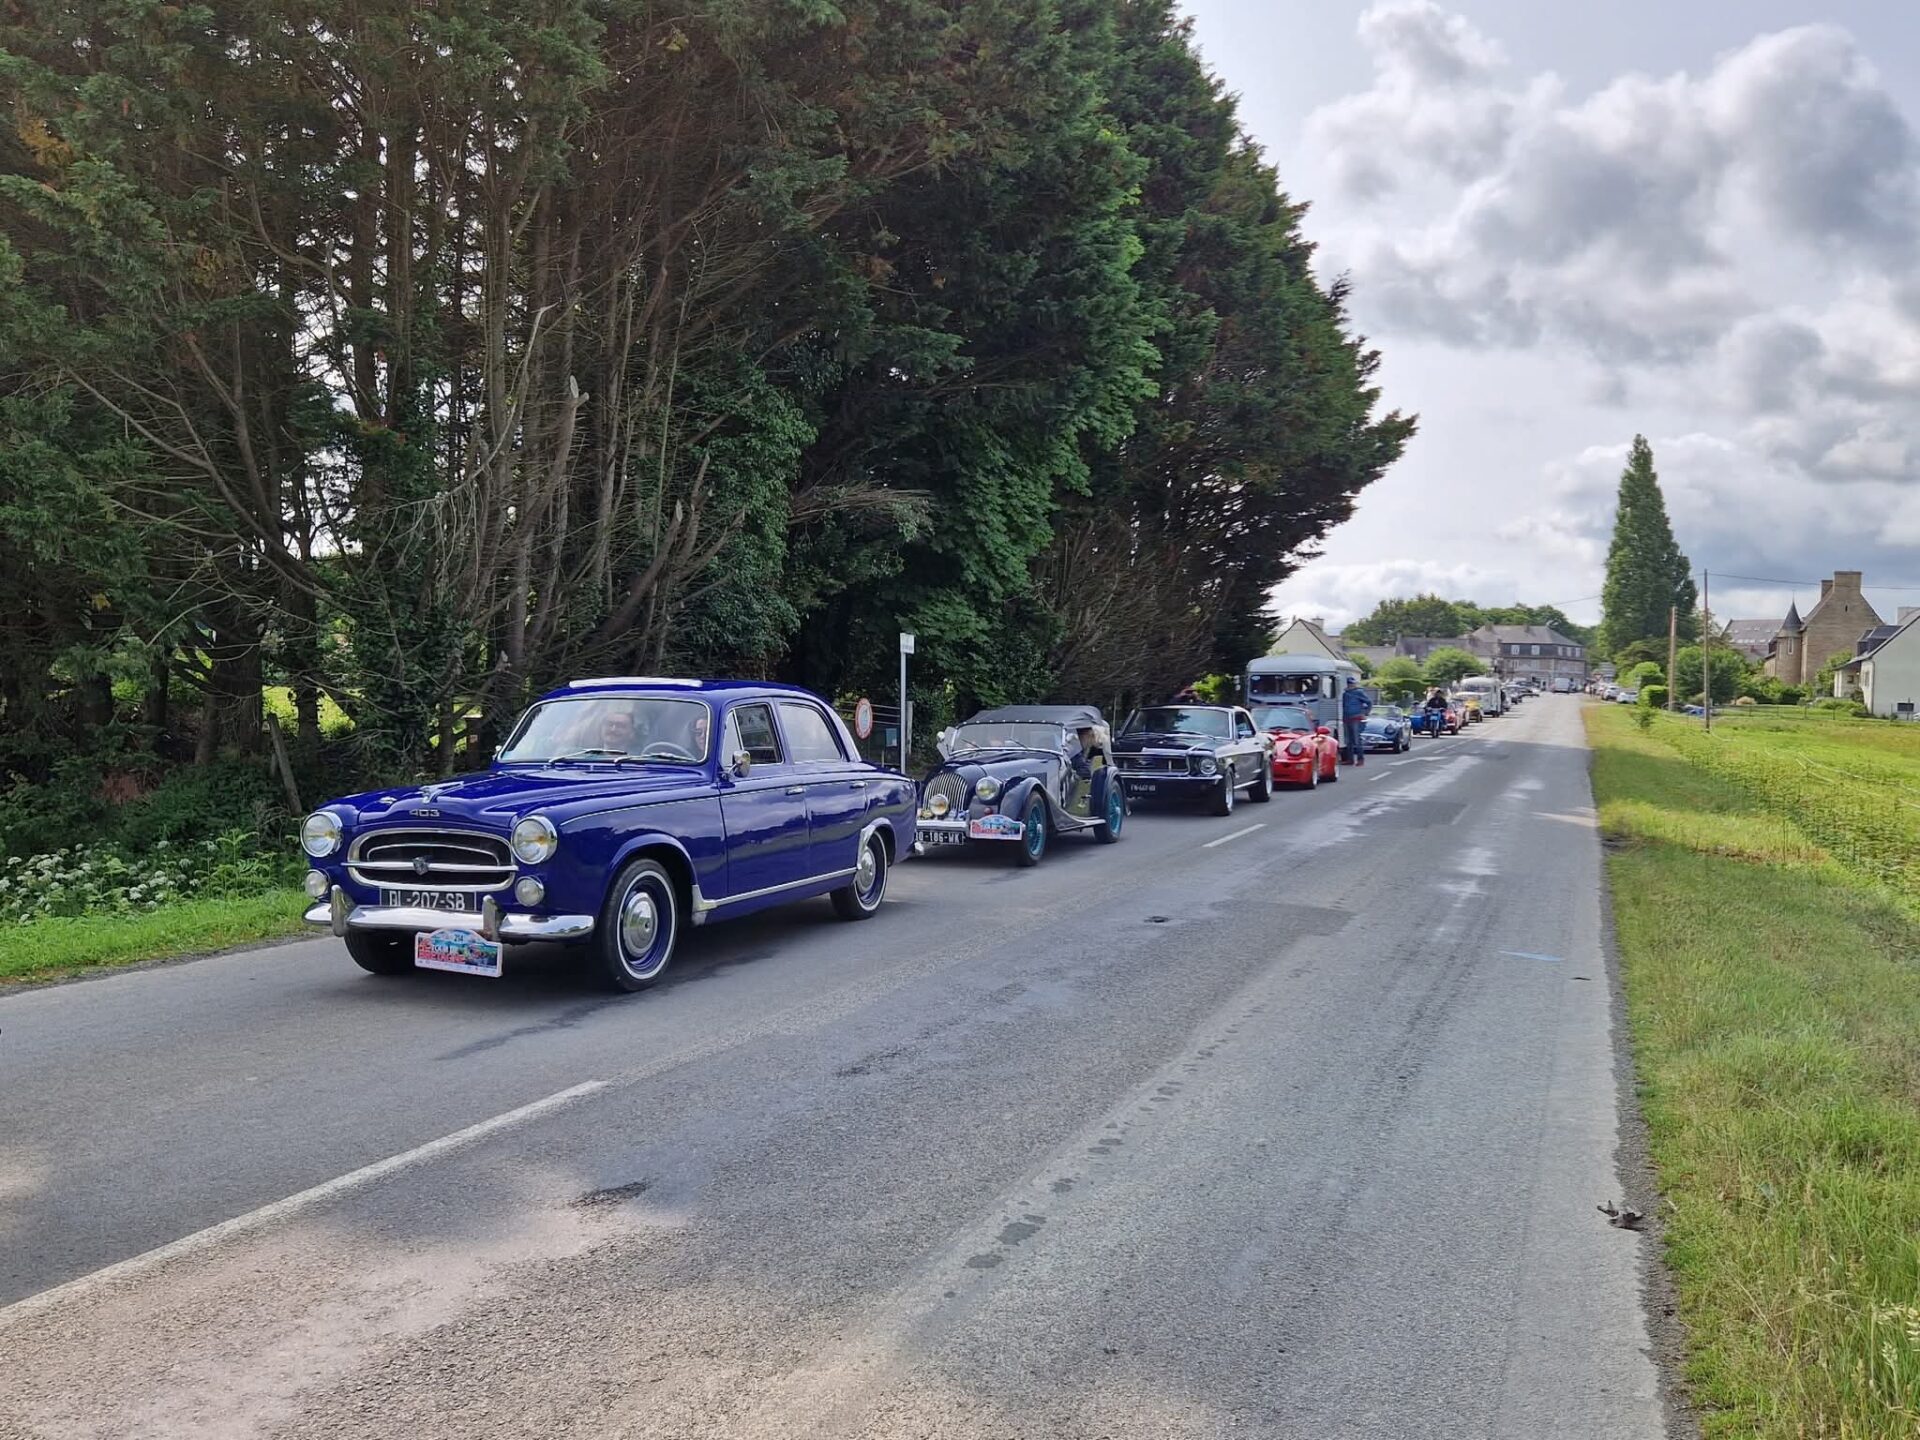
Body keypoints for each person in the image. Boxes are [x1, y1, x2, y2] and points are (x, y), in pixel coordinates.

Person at [1340, 675, 1372, 766]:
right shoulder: (1344, 694)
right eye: (1349, 683)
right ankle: (1350, 759)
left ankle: (1360, 759)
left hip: (1356, 718)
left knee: (1357, 739)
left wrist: (1365, 713)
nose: (1351, 685)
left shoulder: (1359, 692)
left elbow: (1369, 702)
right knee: (1348, 740)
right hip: (1346, 718)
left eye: (1352, 683)